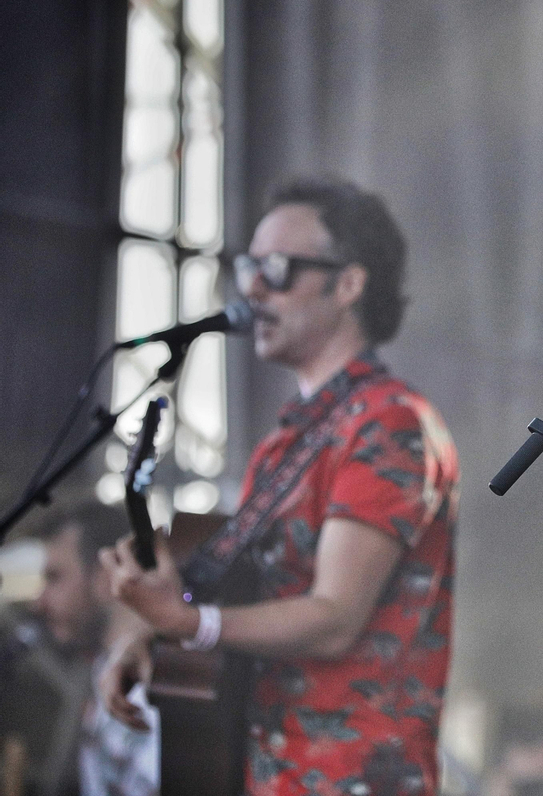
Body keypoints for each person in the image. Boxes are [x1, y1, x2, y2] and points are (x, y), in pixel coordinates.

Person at [99, 178, 460, 796]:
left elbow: (334, 618)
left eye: (277, 268)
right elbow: (239, 586)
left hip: (356, 779)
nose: (252, 287)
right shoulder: (285, 443)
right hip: (269, 770)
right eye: (250, 267)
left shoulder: (389, 422)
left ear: (348, 284)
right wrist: (146, 629)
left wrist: (192, 626)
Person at [7, 502, 158, 796]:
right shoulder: (101, 670)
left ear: (105, 575)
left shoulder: (159, 680)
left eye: (55, 577)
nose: (39, 602)